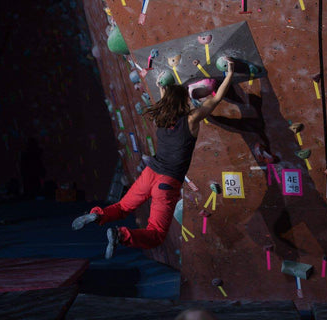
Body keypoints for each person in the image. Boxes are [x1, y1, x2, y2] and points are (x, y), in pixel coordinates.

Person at [72, 59, 235, 258]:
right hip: (166, 183)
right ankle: (121, 235)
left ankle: (98, 215)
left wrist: (161, 87)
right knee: (156, 234)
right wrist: (229, 75)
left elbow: (165, 101)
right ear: (183, 102)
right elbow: (216, 99)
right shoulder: (191, 120)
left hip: (150, 174)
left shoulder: (161, 117)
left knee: (122, 207)